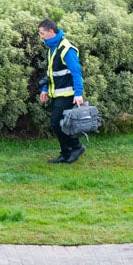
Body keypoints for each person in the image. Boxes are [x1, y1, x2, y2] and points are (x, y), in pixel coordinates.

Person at [37, 19, 87, 164]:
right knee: (59, 124)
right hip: (56, 94)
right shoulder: (52, 47)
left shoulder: (66, 48)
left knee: (56, 123)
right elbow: (51, 73)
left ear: (51, 32)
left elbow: (76, 73)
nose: (40, 37)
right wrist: (45, 89)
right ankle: (66, 153)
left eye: (42, 33)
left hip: (67, 95)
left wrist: (78, 94)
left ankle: (76, 148)